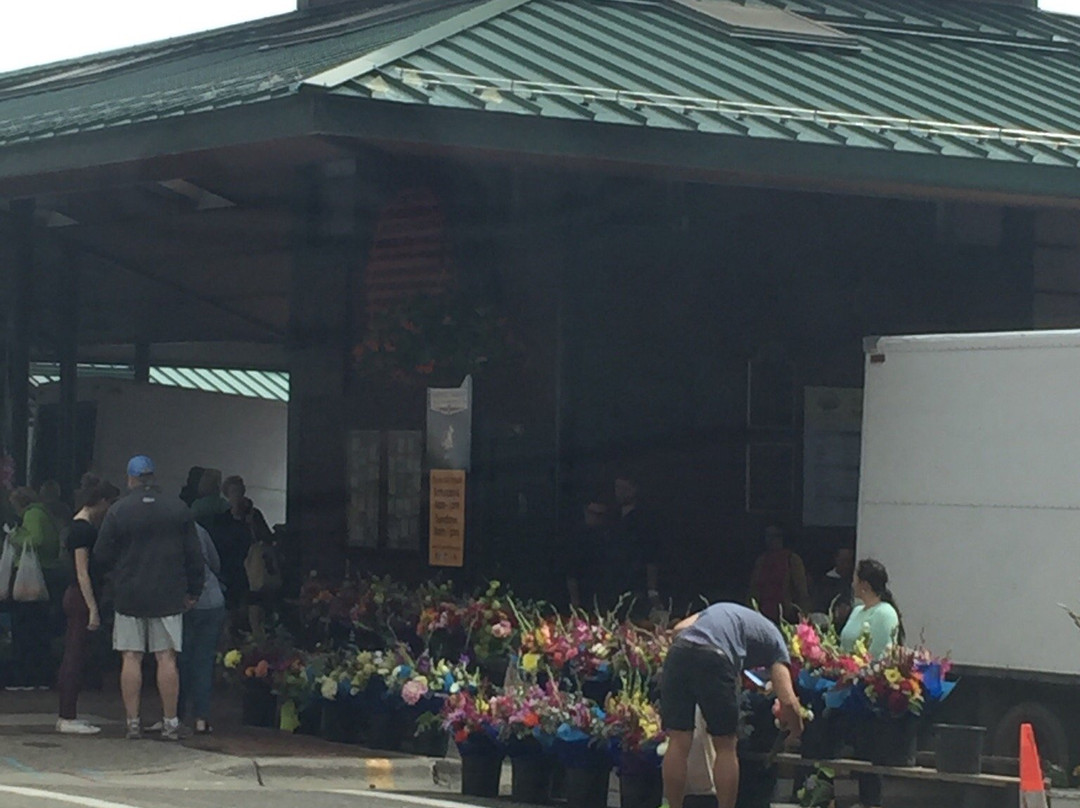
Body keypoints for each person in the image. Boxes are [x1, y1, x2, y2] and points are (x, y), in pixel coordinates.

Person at [94, 456, 204, 741]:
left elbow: (101, 555)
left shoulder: (118, 511)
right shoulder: (177, 509)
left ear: (130, 479)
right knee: (166, 658)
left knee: (130, 656)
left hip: (129, 594)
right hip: (168, 595)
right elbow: (194, 555)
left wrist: (114, 581)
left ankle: (132, 722)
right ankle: (170, 722)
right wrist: (193, 590)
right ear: (153, 478)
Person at [660, 602, 803, 808]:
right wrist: (796, 727)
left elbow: (678, 629)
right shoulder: (776, 641)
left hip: (678, 653)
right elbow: (788, 700)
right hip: (715, 658)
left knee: (678, 740)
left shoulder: (720, 610)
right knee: (725, 745)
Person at [56, 477, 119, 734]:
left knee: (76, 653)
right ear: (102, 502)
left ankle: (68, 712)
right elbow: (83, 572)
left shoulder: (78, 526)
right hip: (81, 595)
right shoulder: (83, 530)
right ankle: (66, 715)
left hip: (77, 594)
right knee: (74, 653)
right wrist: (93, 607)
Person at [840, 559, 903, 808]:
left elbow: (881, 653)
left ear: (864, 584)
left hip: (869, 687)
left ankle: (871, 801)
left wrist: (859, 673)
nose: (853, 583)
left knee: (868, 749)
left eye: (856, 579)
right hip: (846, 682)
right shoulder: (857, 611)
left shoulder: (885, 613)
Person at [7, 486, 63, 689]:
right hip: (46, 575)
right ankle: (41, 675)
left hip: (31, 579)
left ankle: (26, 676)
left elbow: (35, 539)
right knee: (39, 630)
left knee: (25, 628)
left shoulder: (32, 515)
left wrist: (14, 538)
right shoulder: (45, 514)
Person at [178, 522, 226, 734]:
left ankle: (174, 715)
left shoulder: (167, 532)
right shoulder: (200, 530)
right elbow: (216, 563)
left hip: (183, 604)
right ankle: (201, 718)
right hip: (212, 601)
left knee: (179, 660)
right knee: (204, 661)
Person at [613, 472, 662, 613]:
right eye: (617, 488)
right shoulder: (613, 519)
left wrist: (652, 590)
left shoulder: (644, 521)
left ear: (634, 490)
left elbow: (651, 556)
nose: (619, 493)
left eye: (624, 488)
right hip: (614, 585)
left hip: (636, 586)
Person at [747, 524, 810, 624]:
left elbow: (801, 590)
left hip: (786, 616)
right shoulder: (761, 560)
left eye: (775, 536)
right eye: (767, 536)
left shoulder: (792, 560)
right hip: (763, 615)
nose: (770, 540)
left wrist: (803, 616)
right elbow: (754, 589)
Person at [564, 499, 612, 610]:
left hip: (605, 593)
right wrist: (575, 600)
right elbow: (572, 571)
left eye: (601, 515)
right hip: (584, 591)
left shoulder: (609, 537)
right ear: (586, 512)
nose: (597, 518)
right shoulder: (577, 538)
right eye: (594, 514)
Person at [814, 546, 855, 630]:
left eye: (848, 561)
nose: (846, 565)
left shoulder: (854, 581)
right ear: (836, 560)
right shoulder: (825, 582)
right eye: (843, 560)